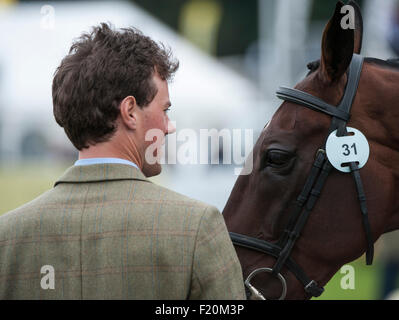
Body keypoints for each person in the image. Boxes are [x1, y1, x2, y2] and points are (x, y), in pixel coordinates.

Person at [0, 23, 245, 299]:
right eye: (165, 110)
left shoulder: (7, 237)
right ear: (130, 111)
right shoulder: (197, 226)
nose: (169, 126)